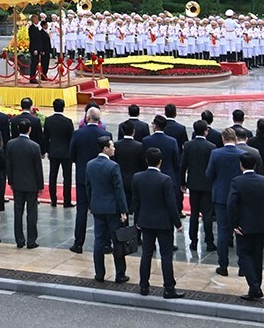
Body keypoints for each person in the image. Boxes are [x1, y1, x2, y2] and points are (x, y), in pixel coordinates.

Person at [130, 147, 183, 297]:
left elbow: (136, 202)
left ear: (146, 160)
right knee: (166, 256)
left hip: (145, 221)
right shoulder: (165, 179)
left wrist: (137, 220)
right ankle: (169, 288)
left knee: (146, 253)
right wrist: (177, 223)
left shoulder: (137, 177)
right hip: (163, 223)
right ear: (160, 162)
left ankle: (144, 286)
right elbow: (171, 204)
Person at [227, 153, 264, 300]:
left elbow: (231, 204)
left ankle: (254, 287)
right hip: (260, 224)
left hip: (244, 225)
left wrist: (234, 224)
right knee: (257, 257)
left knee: (244, 256)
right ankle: (256, 286)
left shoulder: (237, 181)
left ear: (241, 165)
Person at [84, 143, 129, 284]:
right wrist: (123, 210)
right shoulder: (113, 166)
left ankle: (99, 274)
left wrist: (91, 204)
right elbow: (118, 190)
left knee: (98, 241)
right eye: (112, 146)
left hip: (97, 206)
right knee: (117, 241)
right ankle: (120, 274)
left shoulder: (90, 164)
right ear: (105, 148)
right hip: (112, 208)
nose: (114, 148)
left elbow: (88, 187)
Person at [69, 107, 111, 254]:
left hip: (83, 175)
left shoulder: (78, 134)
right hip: (101, 177)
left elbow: (72, 155)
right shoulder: (106, 134)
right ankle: (106, 244)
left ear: (87, 118)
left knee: (82, 210)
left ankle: (78, 243)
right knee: (104, 209)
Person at [206, 128, 247, 276]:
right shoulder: (242, 154)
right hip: (239, 197)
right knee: (240, 231)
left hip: (221, 197)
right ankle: (243, 267)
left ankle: (223, 266)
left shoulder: (216, 153)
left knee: (223, 232)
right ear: (235, 139)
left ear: (223, 139)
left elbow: (209, 174)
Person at [5, 118, 45, 248]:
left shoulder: (11, 144)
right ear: (30, 129)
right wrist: (40, 185)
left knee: (18, 212)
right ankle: (31, 240)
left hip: (17, 183)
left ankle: (19, 240)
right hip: (31, 184)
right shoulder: (34, 146)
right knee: (31, 212)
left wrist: (10, 180)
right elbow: (38, 168)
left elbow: (9, 165)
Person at [184, 122, 217, 254]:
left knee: (194, 213)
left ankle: (193, 240)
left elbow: (183, 165)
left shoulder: (188, 145)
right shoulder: (211, 147)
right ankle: (209, 241)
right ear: (206, 131)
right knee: (207, 215)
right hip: (207, 184)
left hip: (193, 184)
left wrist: (182, 182)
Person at [44, 98, 75, 207]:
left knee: (53, 176)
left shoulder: (48, 120)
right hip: (66, 153)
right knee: (67, 177)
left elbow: (45, 137)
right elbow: (72, 139)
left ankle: (53, 200)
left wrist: (47, 150)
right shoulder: (67, 121)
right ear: (63, 107)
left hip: (53, 152)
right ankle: (67, 201)